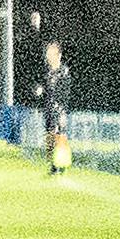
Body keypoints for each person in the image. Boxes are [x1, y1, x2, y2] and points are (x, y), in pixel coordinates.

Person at [39, 41, 75, 174]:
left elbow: (65, 92)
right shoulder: (48, 73)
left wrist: (60, 108)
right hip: (48, 110)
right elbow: (46, 91)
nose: (50, 56)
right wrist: (40, 90)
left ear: (59, 55)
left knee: (60, 136)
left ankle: (62, 164)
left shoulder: (63, 71)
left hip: (60, 110)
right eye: (48, 53)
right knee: (49, 137)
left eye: (53, 53)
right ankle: (53, 164)